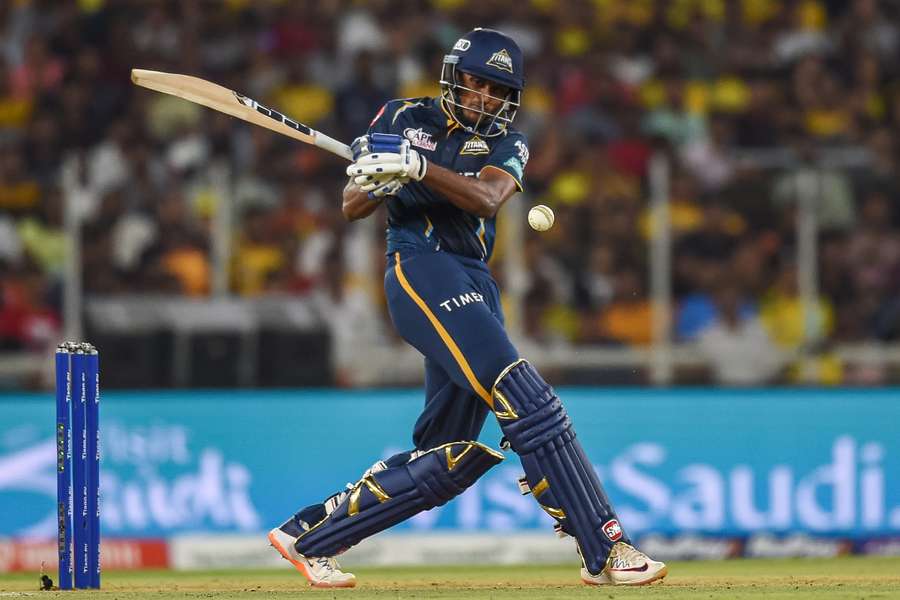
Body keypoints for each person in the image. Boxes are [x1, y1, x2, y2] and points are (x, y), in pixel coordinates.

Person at [267, 28, 667, 588]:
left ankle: (310, 534)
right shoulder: (402, 117)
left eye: (498, 90)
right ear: (454, 79)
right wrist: (379, 176)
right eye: (476, 84)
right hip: (419, 269)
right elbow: (352, 206)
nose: (485, 98)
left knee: (447, 457)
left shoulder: (510, 144)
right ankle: (607, 547)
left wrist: (418, 169)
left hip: (473, 279)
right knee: (524, 394)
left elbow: (487, 197)